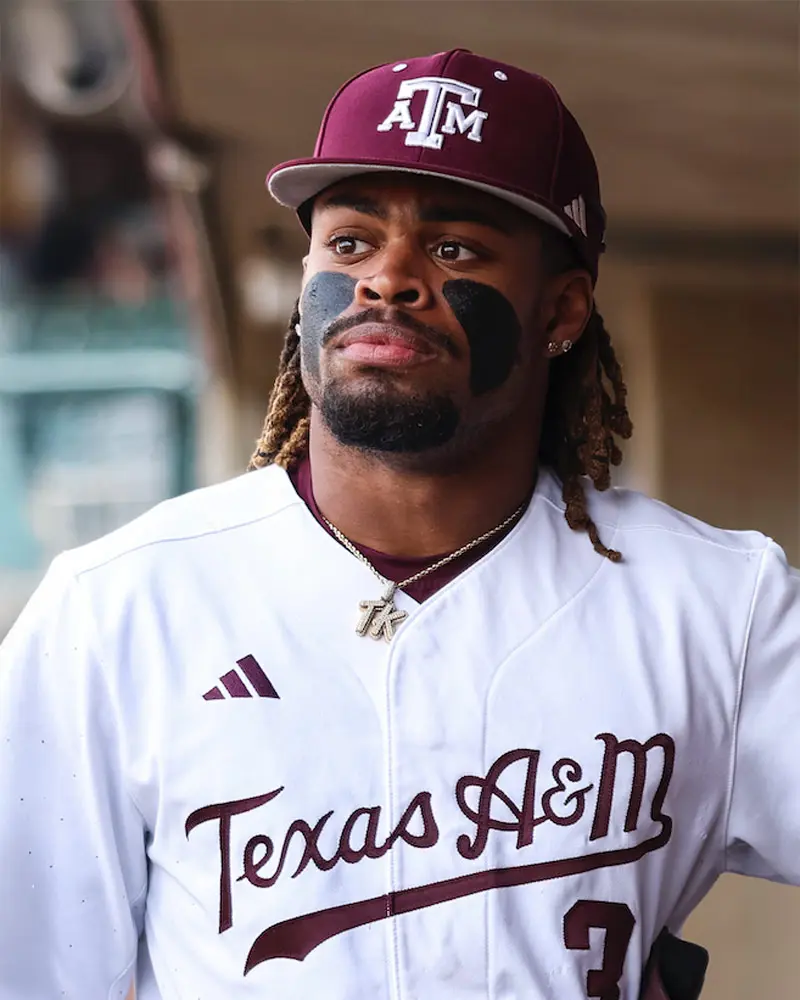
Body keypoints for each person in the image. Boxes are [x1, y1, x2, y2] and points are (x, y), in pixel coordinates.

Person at [0, 48, 797, 1000]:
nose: (388, 278)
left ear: (563, 308)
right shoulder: (120, 605)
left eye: (454, 247)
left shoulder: (716, 604)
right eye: (349, 243)